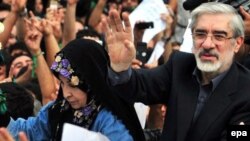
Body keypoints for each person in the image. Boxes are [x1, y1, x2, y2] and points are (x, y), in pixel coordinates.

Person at [102, 2, 250, 141]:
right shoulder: (180, 65)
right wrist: (120, 66)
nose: (207, 44)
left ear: (237, 43)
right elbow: (138, 85)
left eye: (219, 36)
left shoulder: (246, 90)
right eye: (200, 34)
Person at [0, 38, 145, 141]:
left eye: (73, 84)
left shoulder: (109, 119)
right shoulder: (57, 110)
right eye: (62, 84)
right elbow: (29, 132)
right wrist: (3, 117)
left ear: (91, 80)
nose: (66, 93)